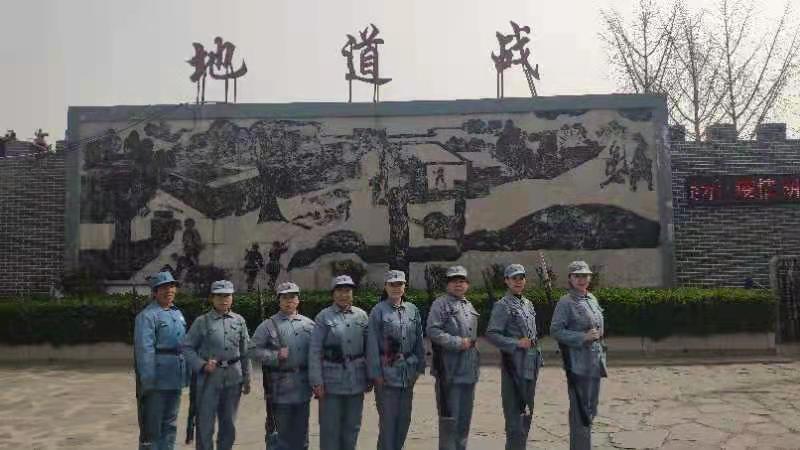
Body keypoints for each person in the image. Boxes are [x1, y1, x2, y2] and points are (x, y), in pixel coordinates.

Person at [181, 280, 251, 450]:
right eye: (219, 296)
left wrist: (247, 379)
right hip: (208, 381)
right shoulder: (202, 322)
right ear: (212, 298)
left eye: (227, 295)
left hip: (233, 379)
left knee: (229, 425)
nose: (223, 299)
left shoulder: (239, 321)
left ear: (232, 297)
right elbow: (186, 347)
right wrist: (202, 365)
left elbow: (245, 352)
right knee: (205, 425)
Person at [248, 281, 316, 449]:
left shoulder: (309, 324)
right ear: (279, 300)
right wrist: (274, 355)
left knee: (302, 436)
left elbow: (317, 354)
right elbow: (252, 349)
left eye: (292, 297)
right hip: (279, 388)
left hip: (303, 386)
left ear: (298, 300)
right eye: (284, 297)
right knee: (281, 436)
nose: (288, 301)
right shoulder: (268, 325)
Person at [366, 270, 426, 450]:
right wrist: (376, 375)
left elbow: (419, 341)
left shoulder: (412, 310)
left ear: (404, 286)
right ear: (385, 287)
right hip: (386, 374)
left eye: (399, 284)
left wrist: (418, 368)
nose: (396, 288)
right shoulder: (378, 311)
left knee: (403, 421)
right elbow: (372, 345)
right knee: (388, 423)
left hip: (407, 374)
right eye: (392, 284)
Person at [308, 275, 370, 450]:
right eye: (340, 291)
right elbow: (314, 351)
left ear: (352, 293)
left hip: (356, 379)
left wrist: (371, 375)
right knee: (330, 429)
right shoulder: (324, 317)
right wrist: (316, 381)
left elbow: (369, 349)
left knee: (352, 427)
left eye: (347, 291)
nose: (344, 295)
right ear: (333, 294)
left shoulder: (362, 316)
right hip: (331, 381)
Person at [550, 261, 607, 450]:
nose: (582, 279)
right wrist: (582, 337)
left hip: (595, 363)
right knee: (580, 412)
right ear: (570, 279)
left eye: (585, 276)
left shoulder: (592, 299)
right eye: (577, 276)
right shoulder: (566, 302)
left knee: (590, 410)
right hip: (578, 364)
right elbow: (556, 331)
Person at [486, 264, 542, 450]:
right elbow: (492, 334)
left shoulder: (528, 303)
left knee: (526, 416)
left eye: (521, 278)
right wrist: (515, 343)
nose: (518, 282)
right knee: (515, 418)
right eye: (514, 278)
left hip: (531, 366)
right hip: (514, 367)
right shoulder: (502, 306)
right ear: (506, 281)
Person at [426, 265, 480, 450]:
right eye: (454, 281)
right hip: (449, 373)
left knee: (464, 422)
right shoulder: (440, 304)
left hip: (468, 372)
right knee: (450, 421)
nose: (458, 284)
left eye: (462, 281)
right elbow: (433, 330)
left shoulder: (468, 305)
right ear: (447, 284)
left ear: (467, 284)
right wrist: (457, 342)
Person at [134, 271, 188, 450]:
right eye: (164, 287)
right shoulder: (147, 316)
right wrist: (147, 380)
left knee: (171, 423)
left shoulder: (177, 313)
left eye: (172, 286)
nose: (169, 290)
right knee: (153, 426)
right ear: (155, 292)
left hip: (175, 376)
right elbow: (145, 350)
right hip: (157, 379)